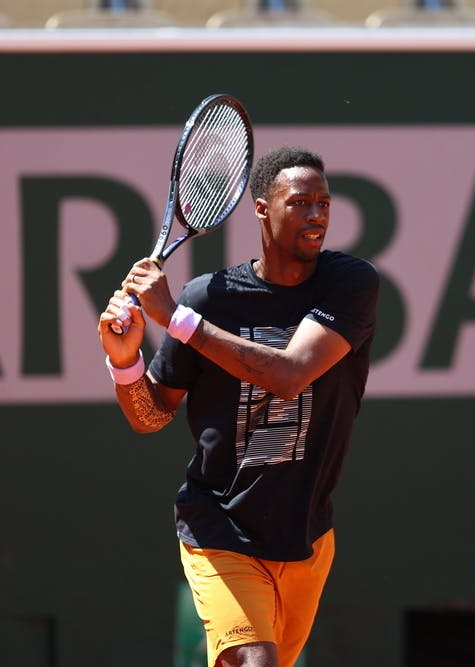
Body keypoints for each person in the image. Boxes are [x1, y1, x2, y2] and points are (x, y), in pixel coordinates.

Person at [97, 146, 379, 667]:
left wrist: (176, 320)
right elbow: (151, 414)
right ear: (262, 208)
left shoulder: (350, 284)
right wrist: (125, 362)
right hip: (220, 528)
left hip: (307, 536)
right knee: (255, 662)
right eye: (300, 203)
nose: (316, 215)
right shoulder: (210, 298)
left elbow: (291, 374)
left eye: (324, 203)